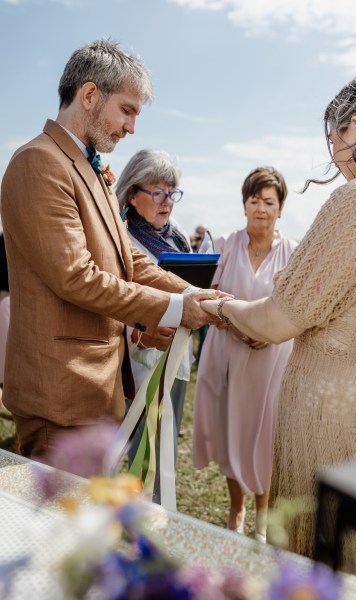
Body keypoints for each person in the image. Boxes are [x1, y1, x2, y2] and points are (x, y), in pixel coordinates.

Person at [200, 62, 356, 587]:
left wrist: (219, 307)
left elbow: (275, 318)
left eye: (335, 135)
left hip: (337, 426)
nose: (334, 154)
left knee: (323, 572)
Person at [0, 39, 221, 460]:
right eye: (127, 110)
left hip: (95, 389)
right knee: (58, 524)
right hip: (59, 395)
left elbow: (127, 260)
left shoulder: (87, 166)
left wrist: (193, 296)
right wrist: (174, 308)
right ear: (89, 95)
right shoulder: (39, 162)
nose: (132, 127)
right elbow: (76, 276)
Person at [193, 166, 297, 542]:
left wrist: (269, 332)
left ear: (280, 208)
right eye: (254, 200)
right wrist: (238, 325)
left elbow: (296, 308)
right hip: (227, 353)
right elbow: (204, 297)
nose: (261, 209)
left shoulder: (293, 252)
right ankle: (236, 508)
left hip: (271, 361)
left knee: (264, 435)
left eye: (269, 202)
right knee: (230, 432)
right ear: (244, 204)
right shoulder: (223, 244)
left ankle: (262, 518)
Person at [116, 148, 193, 470]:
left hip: (177, 356)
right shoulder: (120, 238)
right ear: (133, 194)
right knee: (130, 450)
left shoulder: (178, 236)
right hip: (134, 361)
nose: (167, 201)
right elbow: (108, 298)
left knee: (161, 451)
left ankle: (153, 514)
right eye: (158, 192)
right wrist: (142, 336)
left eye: (172, 192)